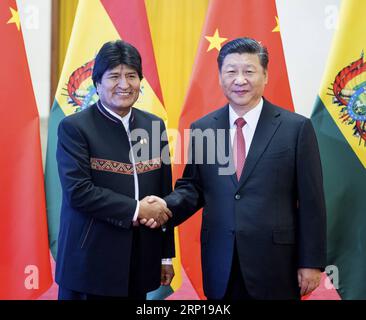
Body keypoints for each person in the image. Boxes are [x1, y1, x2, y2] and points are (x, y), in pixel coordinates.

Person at [149, 37, 326, 300]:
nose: (239, 79)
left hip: (275, 264)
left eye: (249, 71)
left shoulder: (296, 128)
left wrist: (311, 261)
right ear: (220, 77)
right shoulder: (204, 128)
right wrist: (163, 208)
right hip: (221, 262)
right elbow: (193, 188)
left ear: (265, 75)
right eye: (231, 71)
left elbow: (312, 201)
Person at [55, 40, 175, 300]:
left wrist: (165, 256)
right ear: (97, 84)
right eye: (114, 76)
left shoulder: (154, 126)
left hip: (139, 260)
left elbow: (163, 194)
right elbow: (79, 192)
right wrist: (137, 209)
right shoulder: (74, 128)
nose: (124, 84)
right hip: (89, 262)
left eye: (131, 75)